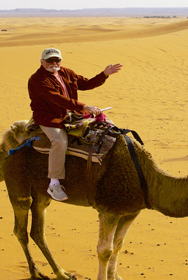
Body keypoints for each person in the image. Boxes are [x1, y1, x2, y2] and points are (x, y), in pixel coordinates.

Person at [27, 48, 122, 201]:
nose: (54, 63)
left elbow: (86, 84)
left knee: (106, 125)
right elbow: (56, 98)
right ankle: (54, 183)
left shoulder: (66, 72)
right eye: (50, 60)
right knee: (59, 141)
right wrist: (83, 107)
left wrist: (104, 74)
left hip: (71, 115)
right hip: (50, 118)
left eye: (57, 60)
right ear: (42, 61)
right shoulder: (37, 79)